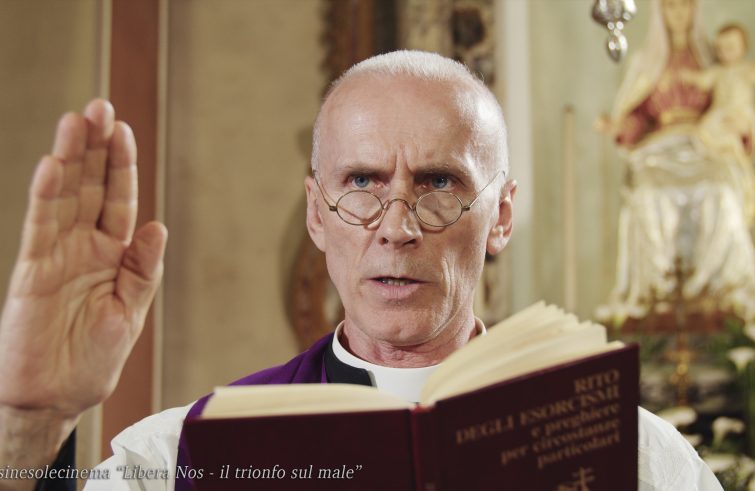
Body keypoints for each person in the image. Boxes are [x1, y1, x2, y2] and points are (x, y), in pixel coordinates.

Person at [0, 51, 721, 490]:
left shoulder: (631, 457)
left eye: (437, 182)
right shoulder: (181, 454)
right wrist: (30, 424)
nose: (397, 228)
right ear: (317, 214)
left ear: (500, 215)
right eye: (363, 182)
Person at [596, 0, 755, 325]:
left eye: (685, 5)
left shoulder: (714, 58)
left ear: (695, 9)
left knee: (723, 192)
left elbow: (735, 101)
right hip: (659, 149)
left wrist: (740, 128)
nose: (679, 14)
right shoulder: (646, 61)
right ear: (660, 12)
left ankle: (721, 297)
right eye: (671, 6)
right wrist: (620, 127)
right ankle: (658, 297)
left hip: (705, 145)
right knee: (647, 196)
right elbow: (636, 115)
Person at [681, 23, 755, 223]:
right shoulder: (718, 72)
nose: (725, 53)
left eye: (731, 47)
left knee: (737, 153)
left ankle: (745, 191)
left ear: (744, 47)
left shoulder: (746, 70)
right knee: (705, 136)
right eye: (721, 49)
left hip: (740, 115)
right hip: (720, 116)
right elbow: (702, 80)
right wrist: (687, 77)